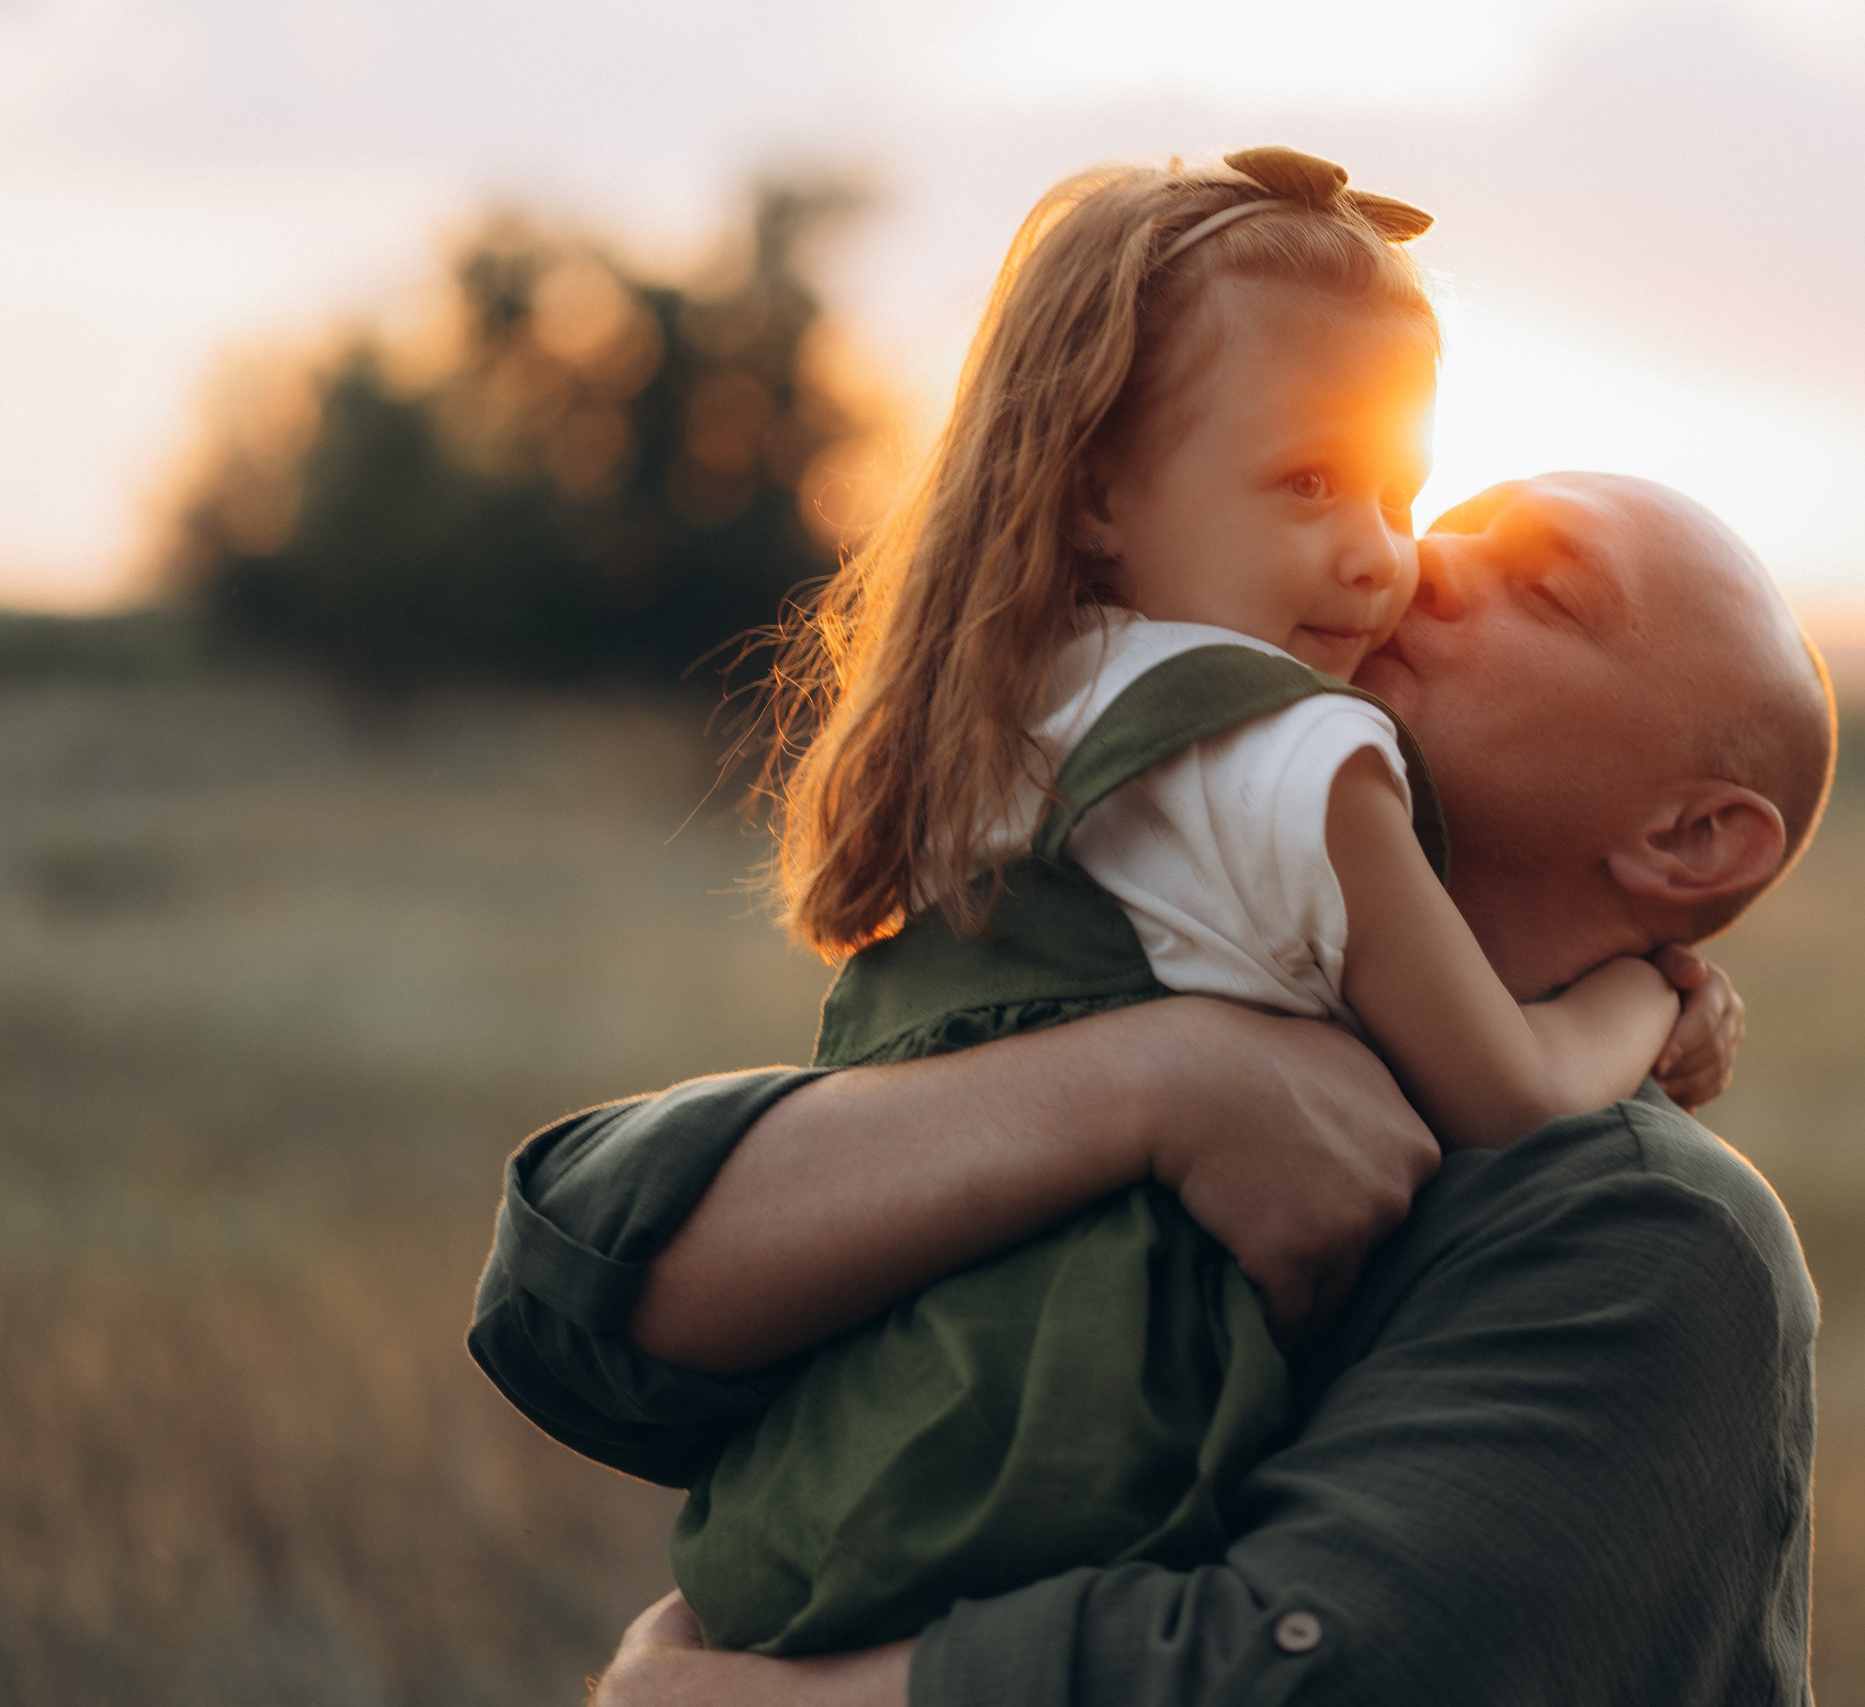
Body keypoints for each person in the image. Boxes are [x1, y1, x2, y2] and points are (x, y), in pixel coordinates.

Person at [470, 468, 1836, 1705]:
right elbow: (579, 1308)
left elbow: (1314, 1675)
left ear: (1691, 837)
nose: (1417, 563)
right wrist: (1156, 1085)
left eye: (1542, 588)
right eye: (1444, 521)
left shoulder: (1649, 1237)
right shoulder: (1136, 999)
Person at [655, 147, 1728, 1655]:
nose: (1382, 557)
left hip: (857, 1444)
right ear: (1095, 489)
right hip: (1082, 1451)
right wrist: (1650, 997)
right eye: (1307, 482)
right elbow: (1516, 1099)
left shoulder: (1004, 714)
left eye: (1395, 488)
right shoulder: (1299, 752)